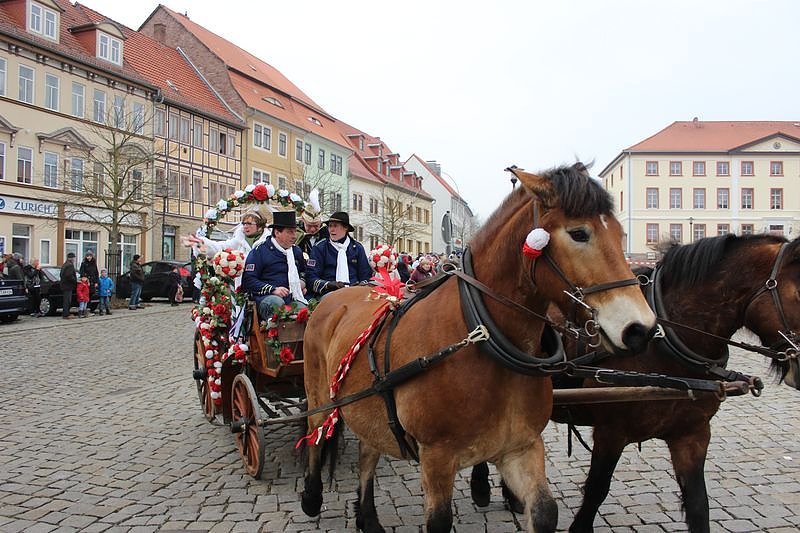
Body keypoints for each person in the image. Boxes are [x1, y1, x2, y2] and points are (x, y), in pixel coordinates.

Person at [242, 211, 308, 319]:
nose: (294, 236)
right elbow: (248, 280)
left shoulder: (296, 251)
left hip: (292, 298)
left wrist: (302, 282)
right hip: (266, 297)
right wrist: (273, 289)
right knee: (276, 303)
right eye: (290, 232)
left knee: (304, 311)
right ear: (277, 232)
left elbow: (304, 271)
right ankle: (272, 329)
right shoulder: (260, 251)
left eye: (295, 232)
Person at [184, 208, 270, 290]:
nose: (245, 226)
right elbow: (221, 247)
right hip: (242, 287)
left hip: (264, 285)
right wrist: (202, 243)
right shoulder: (239, 240)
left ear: (259, 226)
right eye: (244, 223)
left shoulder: (268, 242)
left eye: (249, 223)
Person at [307, 211, 372, 298]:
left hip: (354, 293)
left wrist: (360, 285)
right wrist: (329, 284)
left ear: (345, 228)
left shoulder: (357, 248)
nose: (331, 230)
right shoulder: (320, 248)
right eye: (330, 226)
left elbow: (366, 276)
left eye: (335, 226)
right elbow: (311, 278)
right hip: (328, 294)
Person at [296, 189, 328, 258]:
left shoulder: (327, 234)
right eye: (309, 226)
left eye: (316, 226)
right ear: (303, 220)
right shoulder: (296, 234)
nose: (312, 229)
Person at [60, 253, 77, 319]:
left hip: (64, 285)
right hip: (68, 285)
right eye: (74, 258)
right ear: (71, 258)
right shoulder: (70, 265)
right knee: (67, 300)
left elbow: (61, 274)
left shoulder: (65, 264)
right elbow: (69, 275)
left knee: (66, 300)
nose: (74, 259)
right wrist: (75, 280)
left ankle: (66, 313)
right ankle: (66, 314)